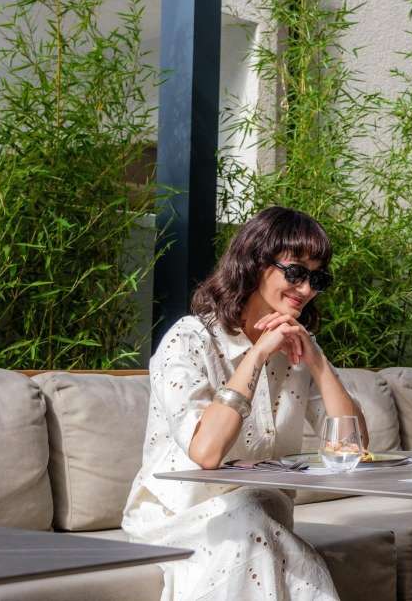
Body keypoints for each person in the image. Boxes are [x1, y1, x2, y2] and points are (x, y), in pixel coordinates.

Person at [123, 206, 368, 601]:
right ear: (255, 263)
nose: (306, 289)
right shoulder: (189, 340)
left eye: (317, 278)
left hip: (263, 515)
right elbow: (206, 452)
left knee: (261, 532)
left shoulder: (298, 348)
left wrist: (318, 362)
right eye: (296, 272)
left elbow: (353, 446)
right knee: (288, 558)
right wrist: (256, 355)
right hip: (179, 517)